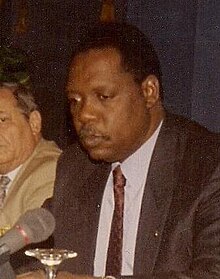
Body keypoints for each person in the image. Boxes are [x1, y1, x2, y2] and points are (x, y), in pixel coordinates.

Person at [19, 22, 220, 279]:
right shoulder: (76, 166)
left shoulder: (207, 164)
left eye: (103, 96)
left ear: (149, 92)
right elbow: (33, 254)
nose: (84, 114)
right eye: (75, 101)